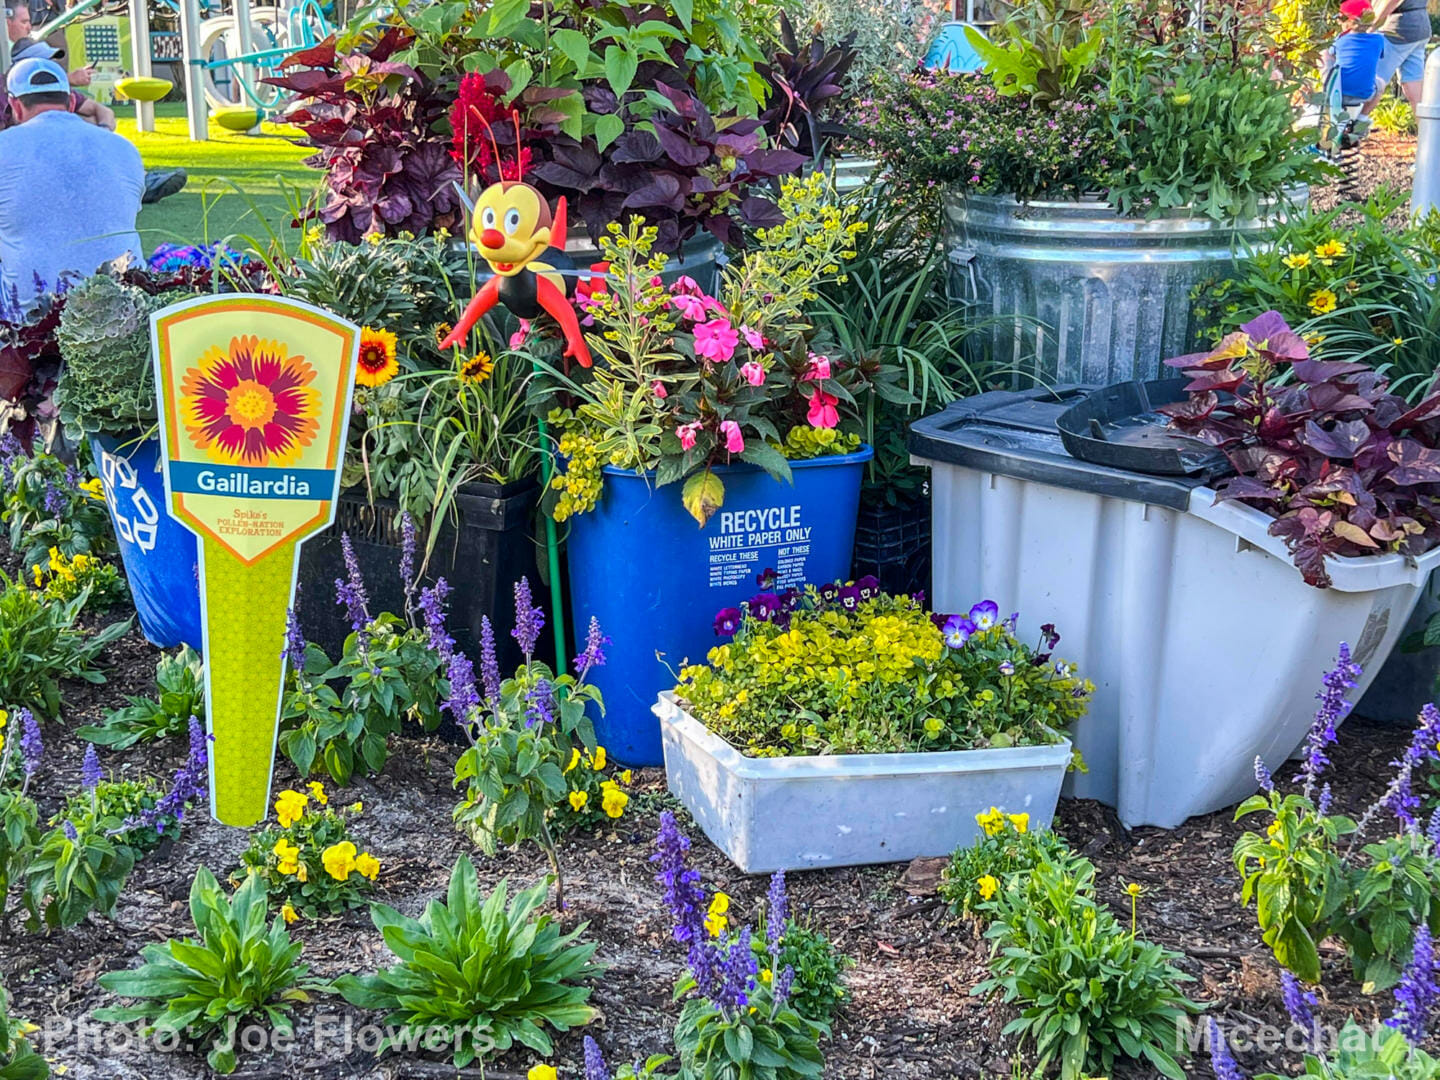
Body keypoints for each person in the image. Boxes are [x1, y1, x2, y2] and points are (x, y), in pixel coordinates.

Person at [0, 57, 143, 306]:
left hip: (29, 320)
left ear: (15, 105)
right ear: (68, 102)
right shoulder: (124, 148)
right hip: (127, 307)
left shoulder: (5, 147)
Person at [1365, 0, 1431, 112]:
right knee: (1414, 89)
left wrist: (1370, 26)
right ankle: (1426, 128)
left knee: (1369, 83)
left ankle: (1353, 124)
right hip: (1419, 26)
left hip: (1397, 29)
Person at [1322, 0, 1387, 107]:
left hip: (1339, 92)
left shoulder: (1341, 40)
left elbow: (1331, 54)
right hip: (1365, 95)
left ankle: (1327, 87)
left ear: (1348, 22)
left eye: (1341, 19)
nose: (1339, 23)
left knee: (1324, 54)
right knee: (1381, 83)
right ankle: (1362, 118)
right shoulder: (1378, 40)